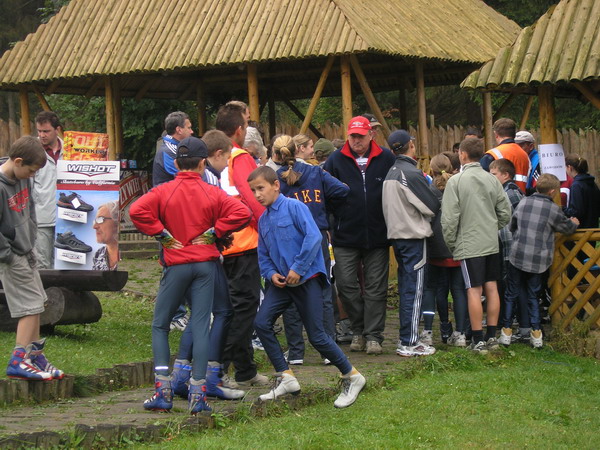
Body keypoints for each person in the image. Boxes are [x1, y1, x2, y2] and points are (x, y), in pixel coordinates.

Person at [130, 137, 251, 414]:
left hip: (176, 265)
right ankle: (198, 394)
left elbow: (136, 211)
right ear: (202, 163)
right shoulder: (212, 192)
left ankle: (163, 390)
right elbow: (242, 212)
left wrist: (161, 234)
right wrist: (215, 232)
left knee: (160, 325)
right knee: (200, 325)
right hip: (205, 265)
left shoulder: (163, 190)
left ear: (175, 163)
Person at [248, 166, 365, 408]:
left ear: (276, 185)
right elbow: (263, 254)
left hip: (307, 279)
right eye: (253, 191)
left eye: (261, 188)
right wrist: (271, 274)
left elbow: (313, 237)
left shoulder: (295, 207)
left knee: (317, 337)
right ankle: (286, 377)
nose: (257, 195)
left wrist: (298, 268)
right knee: (261, 323)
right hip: (281, 284)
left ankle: (353, 376)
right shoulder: (264, 219)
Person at [274, 135, 350, 365]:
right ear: (298, 149)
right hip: (316, 238)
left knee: (291, 292)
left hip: (288, 241)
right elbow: (343, 190)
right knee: (323, 292)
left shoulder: (275, 178)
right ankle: (328, 349)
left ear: (277, 154)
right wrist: (325, 208)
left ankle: (296, 351)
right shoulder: (316, 173)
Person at [324, 116, 395, 354]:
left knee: (376, 288)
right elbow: (325, 195)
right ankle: (358, 329)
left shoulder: (386, 158)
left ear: (371, 135)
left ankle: (373, 336)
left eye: (361, 136)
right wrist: (331, 225)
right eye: (353, 136)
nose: (356, 141)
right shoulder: (335, 160)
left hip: (378, 234)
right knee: (345, 285)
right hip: (345, 235)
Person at [1, 136, 64, 381]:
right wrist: (8, 254)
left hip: (27, 250)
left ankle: (35, 356)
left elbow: (30, 210)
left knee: (38, 302)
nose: (32, 175)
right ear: (18, 161)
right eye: (30, 170)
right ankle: (18, 361)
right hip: (10, 256)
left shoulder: (23, 178)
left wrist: (32, 238)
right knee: (29, 307)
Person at [216, 101, 269, 388]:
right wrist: (269, 230)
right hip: (244, 242)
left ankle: (245, 369)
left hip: (222, 243)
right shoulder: (240, 157)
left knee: (233, 307)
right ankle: (220, 368)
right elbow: (254, 198)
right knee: (244, 308)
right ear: (239, 130)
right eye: (247, 123)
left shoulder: (214, 155)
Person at [441, 137, 511, 353]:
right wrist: (491, 227)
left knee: (473, 289)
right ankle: (492, 337)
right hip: (491, 241)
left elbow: (449, 219)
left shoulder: (456, 181)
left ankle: (478, 339)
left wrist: (451, 242)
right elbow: (505, 212)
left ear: (462, 154)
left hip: (469, 243)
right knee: (492, 288)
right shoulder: (492, 179)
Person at [499, 174, 579, 348]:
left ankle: (506, 332)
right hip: (538, 259)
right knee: (533, 296)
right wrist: (574, 222)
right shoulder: (553, 209)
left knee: (511, 294)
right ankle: (536, 334)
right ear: (552, 191)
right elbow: (567, 228)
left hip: (517, 254)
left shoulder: (524, 202)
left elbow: (512, 226)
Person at [382, 130, 439, 357]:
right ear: (411, 146)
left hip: (397, 237)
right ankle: (409, 342)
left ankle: (405, 338)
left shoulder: (391, 172)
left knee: (407, 288)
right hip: (413, 237)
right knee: (414, 291)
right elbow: (431, 206)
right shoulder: (410, 173)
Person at [422, 154, 469, 347]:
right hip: (457, 247)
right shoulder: (458, 188)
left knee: (432, 290)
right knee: (458, 291)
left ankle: (429, 330)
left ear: (431, 170)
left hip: (434, 248)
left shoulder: (428, 192)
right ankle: (460, 333)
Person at [32, 111, 63, 269]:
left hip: (67, 217)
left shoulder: (71, 150)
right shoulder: (31, 151)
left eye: (46, 131)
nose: (42, 135)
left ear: (57, 129)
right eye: (39, 131)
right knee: (42, 264)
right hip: (41, 217)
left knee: (64, 263)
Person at [479, 118, 530, 193]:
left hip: (501, 197)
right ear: (514, 134)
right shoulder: (525, 155)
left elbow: (481, 182)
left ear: (496, 134)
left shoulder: (492, 154)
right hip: (520, 196)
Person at [152, 111, 194, 187]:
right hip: (169, 194)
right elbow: (189, 177)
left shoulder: (175, 147)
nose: (192, 131)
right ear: (179, 130)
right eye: (189, 128)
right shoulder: (170, 152)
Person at [564, 154, 600, 228]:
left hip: (581, 229)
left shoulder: (576, 186)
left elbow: (577, 211)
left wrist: (562, 209)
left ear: (569, 167)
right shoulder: (592, 182)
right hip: (593, 227)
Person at [92, 201, 120, 270]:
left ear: (117, 222)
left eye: (100, 220)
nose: (94, 226)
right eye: (95, 221)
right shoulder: (99, 254)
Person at [514, 130, 539, 195]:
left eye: (521, 146)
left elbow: (538, 187)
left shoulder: (538, 161)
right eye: (515, 146)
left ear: (531, 146)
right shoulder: (523, 159)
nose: (517, 149)